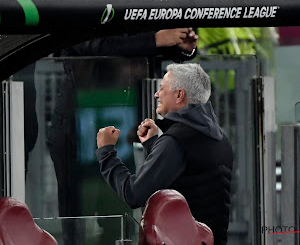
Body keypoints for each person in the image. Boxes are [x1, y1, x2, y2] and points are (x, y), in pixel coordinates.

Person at [46, 28, 198, 244]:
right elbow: (90, 44)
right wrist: (155, 39)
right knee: (79, 214)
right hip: (81, 117)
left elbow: (156, 53)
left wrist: (182, 48)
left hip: (129, 113)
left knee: (121, 209)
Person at [96, 63, 233, 245]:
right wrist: (154, 144)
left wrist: (106, 152)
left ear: (179, 95)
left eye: (162, 88)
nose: (156, 94)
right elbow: (191, 180)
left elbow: (133, 194)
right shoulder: (221, 139)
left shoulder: (176, 142)